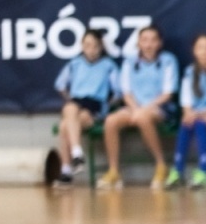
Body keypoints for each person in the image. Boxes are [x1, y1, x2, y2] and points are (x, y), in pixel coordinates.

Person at [100, 24, 179, 190]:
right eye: (144, 40)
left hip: (160, 108)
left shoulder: (168, 60)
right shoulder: (129, 62)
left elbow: (167, 93)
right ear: (138, 43)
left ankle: (161, 166)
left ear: (159, 43)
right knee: (110, 121)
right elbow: (126, 92)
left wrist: (145, 109)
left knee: (143, 118)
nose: (148, 44)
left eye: (152, 40)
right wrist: (135, 109)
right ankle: (114, 171)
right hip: (134, 107)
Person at [52, 29, 119, 187]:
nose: (91, 49)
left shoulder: (108, 65)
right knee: (69, 114)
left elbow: (118, 91)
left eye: (95, 45)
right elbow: (60, 85)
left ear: (101, 47)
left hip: (94, 103)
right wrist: (69, 97)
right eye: (87, 45)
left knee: (65, 124)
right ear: (82, 46)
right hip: (76, 101)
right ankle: (75, 156)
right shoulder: (75, 64)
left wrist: (107, 105)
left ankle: (68, 168)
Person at [167, 33, 206, 190]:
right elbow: (186, 100)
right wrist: (189, 113)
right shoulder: (190, 71)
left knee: (200, 124)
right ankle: (177, 170)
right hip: (195, 115)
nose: (203, 52)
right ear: (194, 51)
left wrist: (197, 114)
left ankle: (203, 171)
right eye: (199, 48)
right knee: (187, 124)